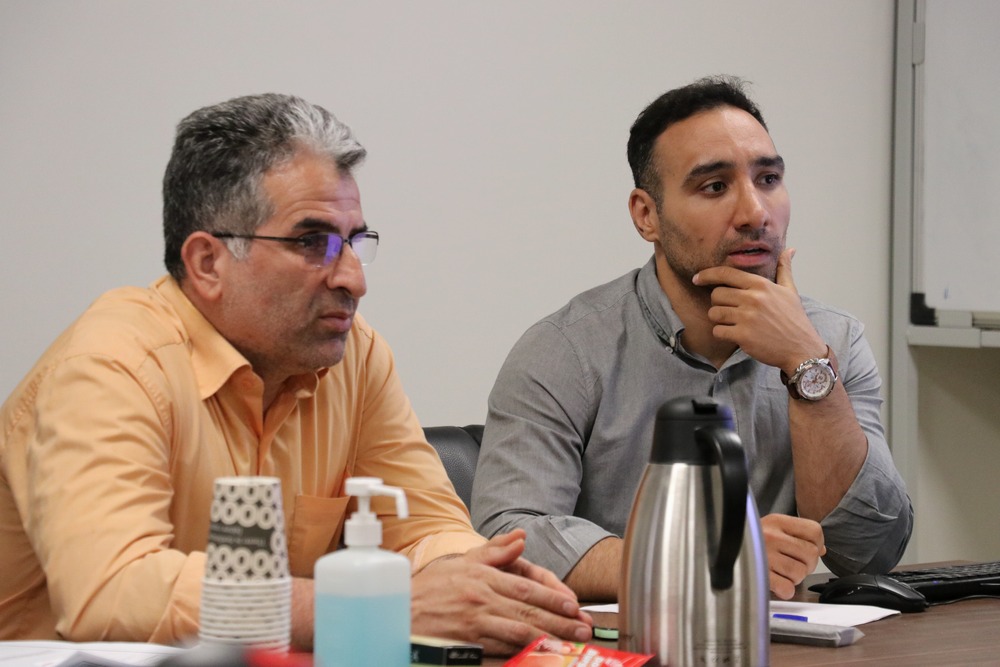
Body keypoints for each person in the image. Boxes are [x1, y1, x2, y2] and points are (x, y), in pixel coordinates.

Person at [0, 93, 592, 655]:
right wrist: (378, 607)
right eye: (313, 242)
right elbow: (111, 592)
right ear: (207, 262)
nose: (354, 278)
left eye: (355, 242)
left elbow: (422, 527)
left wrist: (482, 582)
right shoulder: (112, 366)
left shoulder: (354, 356)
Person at [471, 75, 913, 602]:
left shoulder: (831, 339)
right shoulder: (565, 351)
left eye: (768, 179)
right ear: (647, 215)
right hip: (625, 640)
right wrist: (699, 559)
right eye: (715, 187)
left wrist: (807, 367)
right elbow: (510, 536)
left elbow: (870, 554)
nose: (755, 213)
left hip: (784, 639)